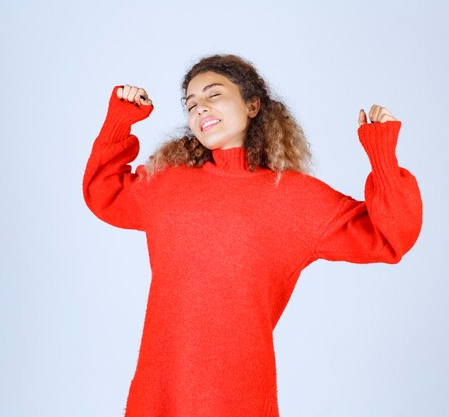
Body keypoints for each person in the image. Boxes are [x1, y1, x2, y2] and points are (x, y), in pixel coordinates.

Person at [82, 53, 422, 417]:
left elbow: (390, 236)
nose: (200, 109)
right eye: (191, 103)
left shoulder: (296, 198)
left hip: (240, 394)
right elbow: (104, 192)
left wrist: (382, 156)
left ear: (252, 104)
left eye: (214, 95)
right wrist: (120, 121)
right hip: (160, 391)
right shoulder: (168, 182)